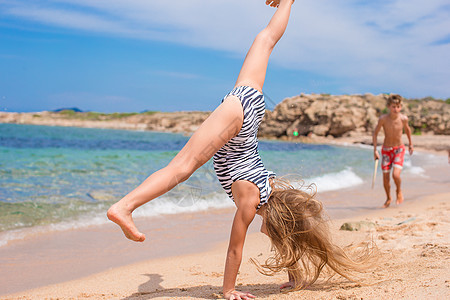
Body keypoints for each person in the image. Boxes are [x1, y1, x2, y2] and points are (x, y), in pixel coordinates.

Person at [108, 1, 372, 299]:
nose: (272, 238)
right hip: (237, 126)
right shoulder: (251, 201)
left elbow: (289, 236)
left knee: (266, 40)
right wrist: (229, 289)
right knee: (180, 168)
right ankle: (123, 207)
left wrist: (296, 276)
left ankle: (288, 1)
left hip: (249, 106)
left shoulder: (271, 194)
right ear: (276, 223)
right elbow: (236, 248)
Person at [373, 94, 414, 208]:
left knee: (396, 175)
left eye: (398, 106)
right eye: (393, 106)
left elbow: (408, 130)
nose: (396, 109)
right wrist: (375, 150)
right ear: (388, 107)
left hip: (399, 149)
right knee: (385, 179)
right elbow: (375, 133)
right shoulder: (383, 119)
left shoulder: (403, 119)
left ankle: (399, 191)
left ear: (401, 107)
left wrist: (410, 144)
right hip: (386, 150)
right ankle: (388, 198)